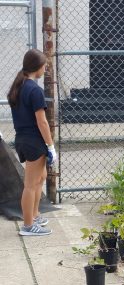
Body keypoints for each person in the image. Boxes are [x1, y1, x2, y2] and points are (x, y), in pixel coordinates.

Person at [7, 49, 57, 236]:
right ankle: (28, 226)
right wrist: (50, 146)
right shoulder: (34, 90)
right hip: (33, 141)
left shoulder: (18, 86)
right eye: (44, 65)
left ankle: (34, 215)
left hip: (23, 139)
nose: (46, 68)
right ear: (37, 67)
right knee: (30, 185)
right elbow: (42, 122)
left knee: (40, 177)